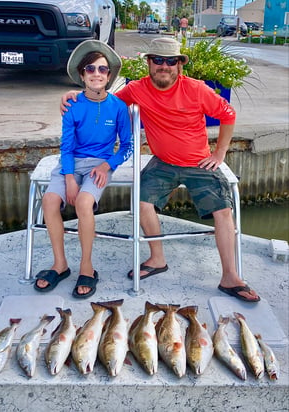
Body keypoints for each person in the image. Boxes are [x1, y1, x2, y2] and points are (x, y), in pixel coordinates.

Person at [60, 37, 260, 303]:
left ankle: (230, 277)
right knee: (142, 202)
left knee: (223, 210)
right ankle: (157, 258)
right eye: (158, 60)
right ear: (149, 63)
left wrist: (220, 153)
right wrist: (72, 95)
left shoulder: (197, 89)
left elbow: (228, 113)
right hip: (162, 162)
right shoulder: (137, 89)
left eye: (170, 61)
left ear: (179, 65)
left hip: (198, 162)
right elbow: (102, 99)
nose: (163, 66)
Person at [34, 40, 132, 299]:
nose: (96, 74)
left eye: (102, 69)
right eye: (90, 69)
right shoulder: (72, 105)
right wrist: (68, 178)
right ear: (82, 74)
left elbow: (128, 147)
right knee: (50, 200)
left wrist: (106, 164)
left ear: (109, 76)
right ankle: (60, 264)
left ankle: (86, 266)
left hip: (98, 166)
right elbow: (66, 146)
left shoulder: (119, 107)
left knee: (84, 203)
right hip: (70, 164)